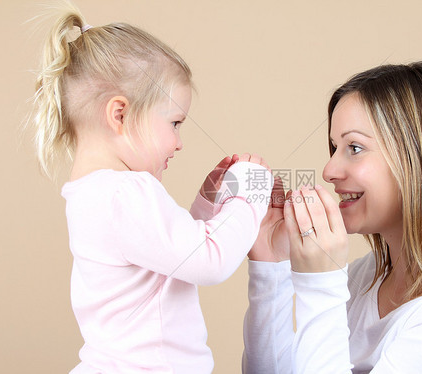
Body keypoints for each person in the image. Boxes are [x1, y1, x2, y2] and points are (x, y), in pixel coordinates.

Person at [243, 61, 422, 373]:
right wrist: (270, 268)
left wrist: (320, 283)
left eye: (354, 147)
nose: (329, 171)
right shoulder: (365, 278)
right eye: (333, 147)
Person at [31, 4, 273, 373]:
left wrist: (207, 205)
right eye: (175, 122)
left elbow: (168, 259)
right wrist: (251, 194)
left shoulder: (92, 194)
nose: (179, 142)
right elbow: (208, 262)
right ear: (120, 114)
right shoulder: (125, 193)